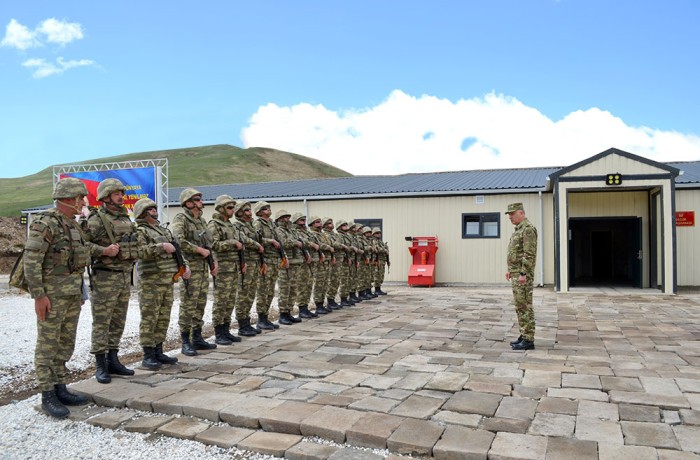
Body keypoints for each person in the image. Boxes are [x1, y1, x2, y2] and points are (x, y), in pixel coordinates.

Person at [24, 178, 91, 418]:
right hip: (52, 295)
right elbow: (31, 261)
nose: (83, 201)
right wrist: (39, 296)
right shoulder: (45, 223)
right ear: (70, 199)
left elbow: (77, 262)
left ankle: (60, 387)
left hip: (72, 294)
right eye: (80, 198)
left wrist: (81, 292)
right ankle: (47, 394)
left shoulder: (72, 225)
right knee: (48, 345)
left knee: (65, 342)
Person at [83, 178, 141, 384]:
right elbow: (82, 246)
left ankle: (113, 359)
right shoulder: (96, 220)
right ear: (106, 197)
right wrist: (103, 250)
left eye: (121, 193)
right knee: (102, 322)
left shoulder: (127, 220)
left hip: (124, 276)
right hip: (105, 277)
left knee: (118, 321)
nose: (121, 197)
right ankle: (100, 365)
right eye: (117, 194)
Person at [134, 198, 190, 369]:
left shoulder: (164, 230)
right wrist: (160, 247)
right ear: (143, 212)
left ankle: (158, 350)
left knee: (163, 317)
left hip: (167, 280)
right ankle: (148, 354)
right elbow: (139, 251)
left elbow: (177, 250)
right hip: (151, 281)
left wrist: (185, 266)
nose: (154, 210)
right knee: (150, 318)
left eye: (154, 208)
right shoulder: (140, 231)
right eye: (150, 209)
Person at [171, 188, 218, 356]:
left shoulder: (202, 221)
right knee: (188, 305)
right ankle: (185, 341)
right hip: (190, 268)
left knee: (200, 303)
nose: (201, 202)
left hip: (203, 267)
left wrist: (213, 262)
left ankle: (197, 338)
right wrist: (198, 250)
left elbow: (209, 244)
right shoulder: (181, 219)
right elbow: (178, 241)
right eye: (197, 199)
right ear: (188, 203)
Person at [207, 195, 244, 345]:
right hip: (223, 268)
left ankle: (226, 330)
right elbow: (213, 244)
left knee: (230, 300)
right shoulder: (213, 224)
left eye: (233, 207)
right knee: (221, 301)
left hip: (233, 267)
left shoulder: (231, 225)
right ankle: (218, 332)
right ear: (221, 208)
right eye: (229, 207)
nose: (233, 210)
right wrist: (232, 242)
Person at [505, 202, 538, 351]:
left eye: (513, 214)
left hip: (522, 275)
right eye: (509, 214)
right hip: (516, 273)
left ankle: (528, 339)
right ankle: (524, 335)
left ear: (521, 213)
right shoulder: (519, 229)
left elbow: (529, 254)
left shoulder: (528, 229)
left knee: (525, 306)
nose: (510, 217)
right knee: (520, 306)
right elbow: (516, 254)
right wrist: (511, 270)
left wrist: (523, 273)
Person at [231, 200, 265, 336]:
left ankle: (247, 322)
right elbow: (243, 239)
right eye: (246, 210)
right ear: (239, 212)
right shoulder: (237, 226)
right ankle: (242, 324)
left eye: (250, 210)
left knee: (251, 294)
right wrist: (256, 245)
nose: (250, 213)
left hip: (255, 262)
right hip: (246, 263)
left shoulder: (251, 226)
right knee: (243, 294)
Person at [253, 201, 282, 331]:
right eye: (266, 208)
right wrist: (270, 241)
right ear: (259, 211)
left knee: (270, 290)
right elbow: (256, 239)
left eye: (269, 207)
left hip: (274, 259)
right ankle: (261, 319)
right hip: (265, 260)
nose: (269, 210)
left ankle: (266, 317)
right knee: (263, 290)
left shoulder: (271, 223)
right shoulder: (257, 223)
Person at [274, 210, 302, 325]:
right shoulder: (278, 230)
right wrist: (295, 242)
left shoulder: (292, 230)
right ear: (279, 219)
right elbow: (283, 243)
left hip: (295, 262)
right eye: (284, 217)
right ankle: (283, 314)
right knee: (285, 289)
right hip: (285, 262)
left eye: (288, 217)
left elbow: (301, 241)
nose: (287, 219)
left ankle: (289, 312)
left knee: (293, 289)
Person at [372, 227, 389, 295]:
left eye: (379, 233)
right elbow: (377, 249)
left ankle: (379, 289)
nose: (379, 234)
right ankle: (376, 290)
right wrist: (384, 250)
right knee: (377, 275)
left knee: (381, 275)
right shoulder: (374, 241)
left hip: (382, 260)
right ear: (373, 234)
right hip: (377, 260)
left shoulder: (380, 242)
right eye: (377, 233)